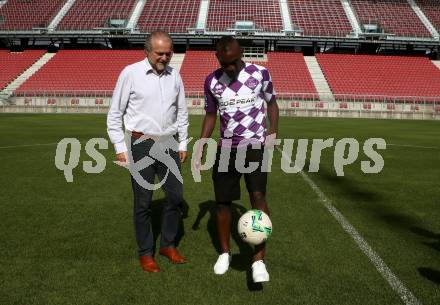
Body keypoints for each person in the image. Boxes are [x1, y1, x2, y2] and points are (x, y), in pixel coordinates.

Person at [196, 36, 279, 282]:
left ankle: (259, 260)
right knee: (222, 202)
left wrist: (272, 133)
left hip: (254, 146)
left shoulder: (260, 73)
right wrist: (201, 143)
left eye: (234, 62)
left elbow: (272, 104)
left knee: (258, 197)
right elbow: (211, 115)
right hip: (226, 149)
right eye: (225, 64)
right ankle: (224, 253)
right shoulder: (211, 81)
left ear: (240, 53)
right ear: (218, 58)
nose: (230, 68)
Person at [107, 31, 189, 273]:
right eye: (160, 53)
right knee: (143, 202)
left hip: (169, 143)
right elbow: (114, 114)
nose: (164, 58)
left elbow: (181, 111)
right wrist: (120, 147)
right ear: (147, 51)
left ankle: (168, 245)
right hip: (141, 144)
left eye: (168, 53)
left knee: (175, 197)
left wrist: (182, 142)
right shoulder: (130, 73)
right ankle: (146, 252)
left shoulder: (175, 75)